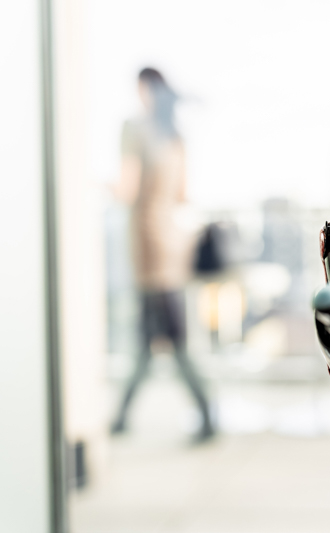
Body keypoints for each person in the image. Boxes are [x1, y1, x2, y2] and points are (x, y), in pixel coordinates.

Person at [110, 68, 215, 442]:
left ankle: (207, 416)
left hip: (148, 247)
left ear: (143, 89)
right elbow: (182, 193)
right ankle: (120, 417)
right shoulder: (175, 135)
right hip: (173, 245)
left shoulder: (134, 128)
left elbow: (126, 189)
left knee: (171, 337)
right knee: (148, 337)